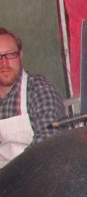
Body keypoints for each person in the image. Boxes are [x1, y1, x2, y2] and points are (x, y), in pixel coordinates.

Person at [0, 27, 66, 168]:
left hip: (37, 175)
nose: (4, 63)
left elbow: (48, 142)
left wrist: (11, 175)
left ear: (20, 55)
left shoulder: (39, 91)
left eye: (10, 55)